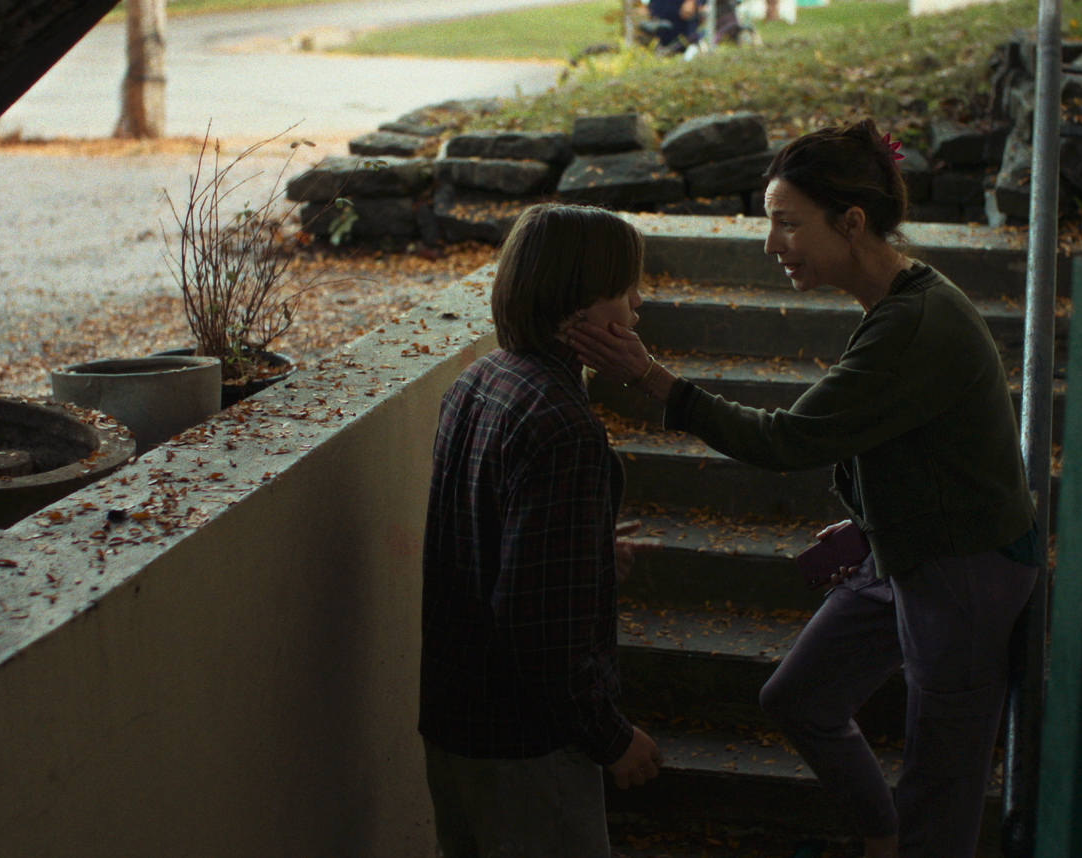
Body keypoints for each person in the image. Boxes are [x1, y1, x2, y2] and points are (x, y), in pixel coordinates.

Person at [567, 121, 1039, 858]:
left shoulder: (916, 322)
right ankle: (882, 835)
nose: (770, 243)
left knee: (939, 794)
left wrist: (653, 378)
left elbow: (786, 440)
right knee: (798, 698)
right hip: (907, 549)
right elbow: (920, 443)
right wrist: (865, 526)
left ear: (851, 223)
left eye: (787, 223)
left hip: (964, 572)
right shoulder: (899, 306)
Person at [419, 203, 665, 858]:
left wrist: (584, 556)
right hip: (526, 749)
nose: (639, 303)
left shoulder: (480, 381)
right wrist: (611, 737)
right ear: (574, 311)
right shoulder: (563, 426)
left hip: (456, 724)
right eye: (624, 287)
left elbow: (489, 548)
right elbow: (535, 628)